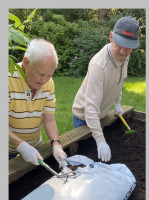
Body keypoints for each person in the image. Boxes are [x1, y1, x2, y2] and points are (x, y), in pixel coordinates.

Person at [72, 16, 141, 163]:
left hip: (101, 114)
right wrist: (100, 141)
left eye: (128, 47)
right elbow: (90, 109)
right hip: (85, 118)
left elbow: (119, 81)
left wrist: (117, 103)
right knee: (87, 162)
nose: (123, 52)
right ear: (111, 37)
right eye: (119, 45)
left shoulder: (124, 58)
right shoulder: (99, 66)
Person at [9, 39, 68, 168]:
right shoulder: (7, 79)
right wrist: (22, 146)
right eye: (40, 74)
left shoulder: (48, 83)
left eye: (49, 75)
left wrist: (56, 144)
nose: (44, 81)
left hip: (35, 145)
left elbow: (49, 119)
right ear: (26, 62)